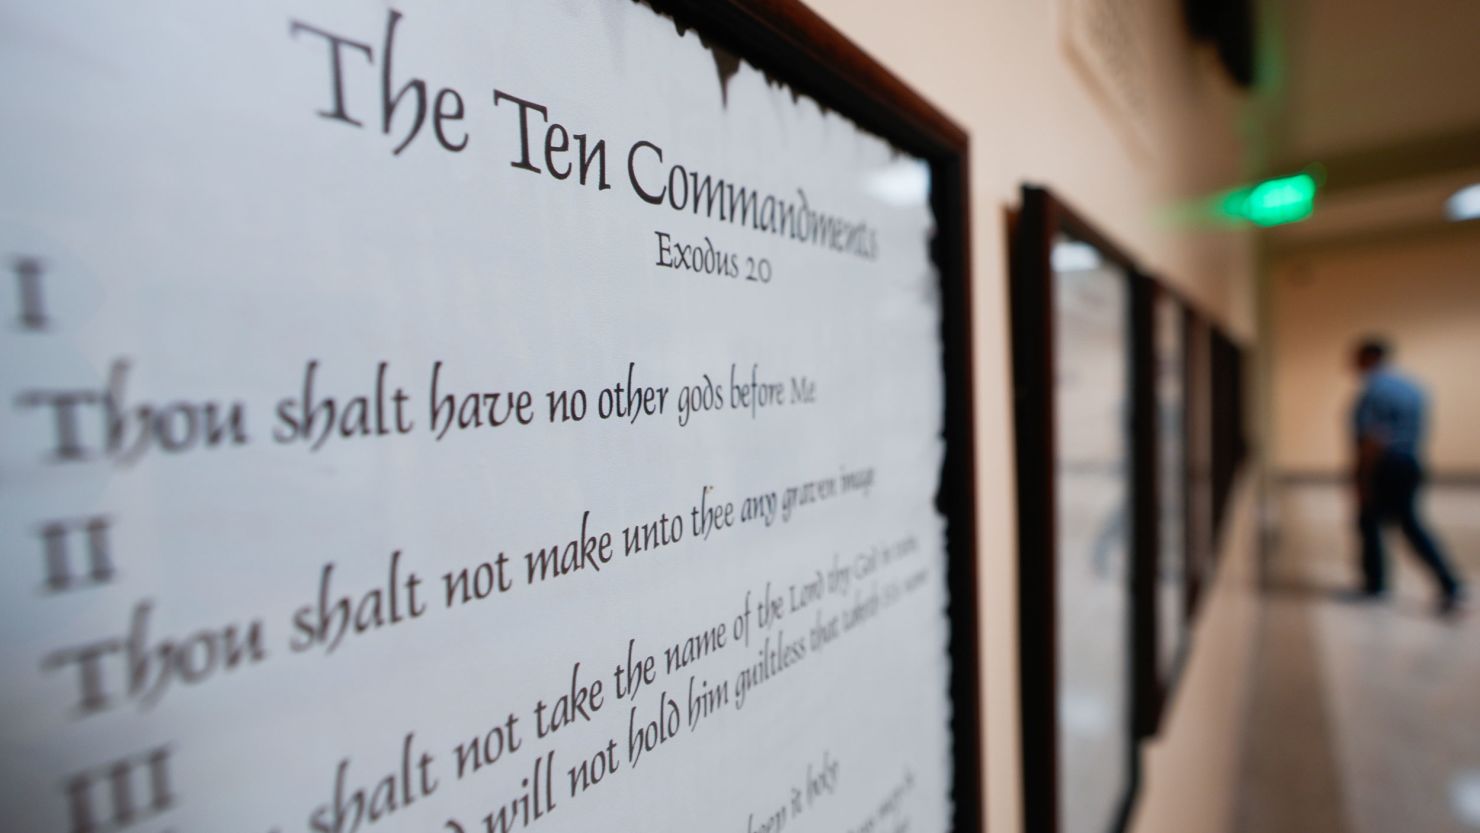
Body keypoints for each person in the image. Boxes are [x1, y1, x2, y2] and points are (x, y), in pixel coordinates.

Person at [1350, 337, 1465, 615]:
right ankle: (1443, 583)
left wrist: (1363, 478)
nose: (1352, 365)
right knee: (1401, 523)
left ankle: (1379, 584)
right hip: (1409, 463)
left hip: (1383, 465)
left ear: (1370, 357)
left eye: (1357, 358)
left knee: (1380, 522)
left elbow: (1373, 438)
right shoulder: (1413, 387)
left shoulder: (1374, 389)